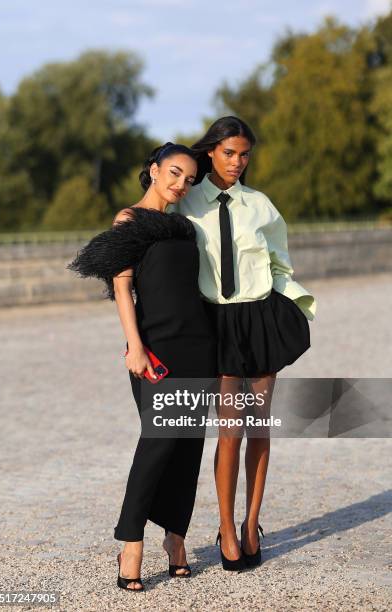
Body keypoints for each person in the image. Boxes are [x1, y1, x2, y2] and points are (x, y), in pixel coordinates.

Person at [67, 142, 216, 591]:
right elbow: (122, 285)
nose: (180, 185)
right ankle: (130, 541)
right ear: (152, 170)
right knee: (159, 440)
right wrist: (135, 345)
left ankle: (175, 538)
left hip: (199, 345)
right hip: (157, 348)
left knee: (188, 445)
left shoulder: (185, 227)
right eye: (174, 173)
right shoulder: (129, 220)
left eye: (189, 180)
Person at [175, 116, 316, 570]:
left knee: (260, 428)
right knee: (229, 432)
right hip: (215, 321)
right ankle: (226, 527)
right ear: (212, 151)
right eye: (230, 152)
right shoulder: (187, 204)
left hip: (259, 319)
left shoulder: (261, 205)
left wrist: (291, 307)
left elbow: (280, 264)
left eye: (245, 154)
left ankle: (253, 523)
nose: (238, 162)